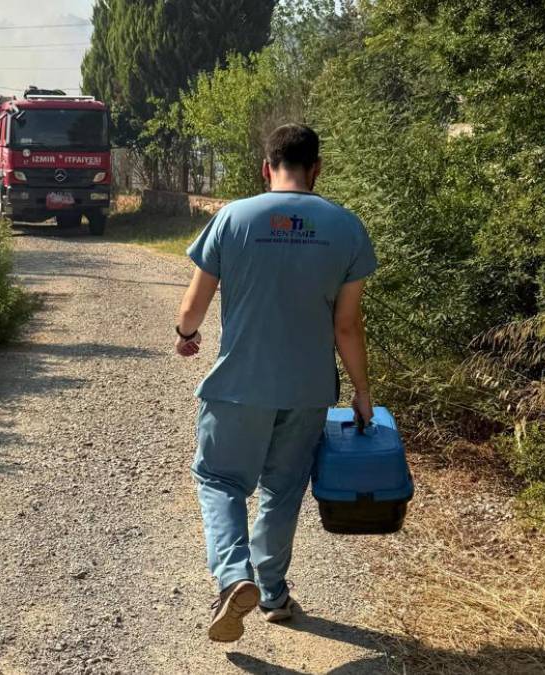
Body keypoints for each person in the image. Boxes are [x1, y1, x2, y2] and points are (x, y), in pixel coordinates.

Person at [174, 124, 377, 642]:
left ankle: (232, 576)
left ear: (266, 168)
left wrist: (186, 335)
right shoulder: (347, 227)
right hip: (308, 390)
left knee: (219, 480)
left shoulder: (233, 217)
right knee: (282, 492)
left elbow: (193, 307)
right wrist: (362, 392)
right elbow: (347, 326)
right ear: (317, 168)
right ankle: (271, 593)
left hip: (237, 386)